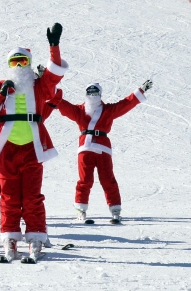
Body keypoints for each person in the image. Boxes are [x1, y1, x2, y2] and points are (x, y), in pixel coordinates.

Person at [0, 23, 68, 263]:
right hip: (6, 150)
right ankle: (10, 239)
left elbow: (55, 74)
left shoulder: (38, 85)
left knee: (31, 196)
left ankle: (36, 237)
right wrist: (0, 95)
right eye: (15, 62)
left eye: (23, 62)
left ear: (29, 63)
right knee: (8, 197)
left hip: (31, 149)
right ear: (9, 65)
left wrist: (54, 46)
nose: (19, 66)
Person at [56, 80, 153, 224]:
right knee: (85, 180)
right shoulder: (79, 110)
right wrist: (48, 86)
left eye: (95, 93)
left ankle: (115, 210)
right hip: (85, 148)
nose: (92, 96)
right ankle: (81, 210)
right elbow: (62, 104)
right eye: (90, 93)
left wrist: (141, 91)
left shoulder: (108, 110)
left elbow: (126, 104)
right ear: (86, 95)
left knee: (108, 179)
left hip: (103, 148)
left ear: (100, 95)